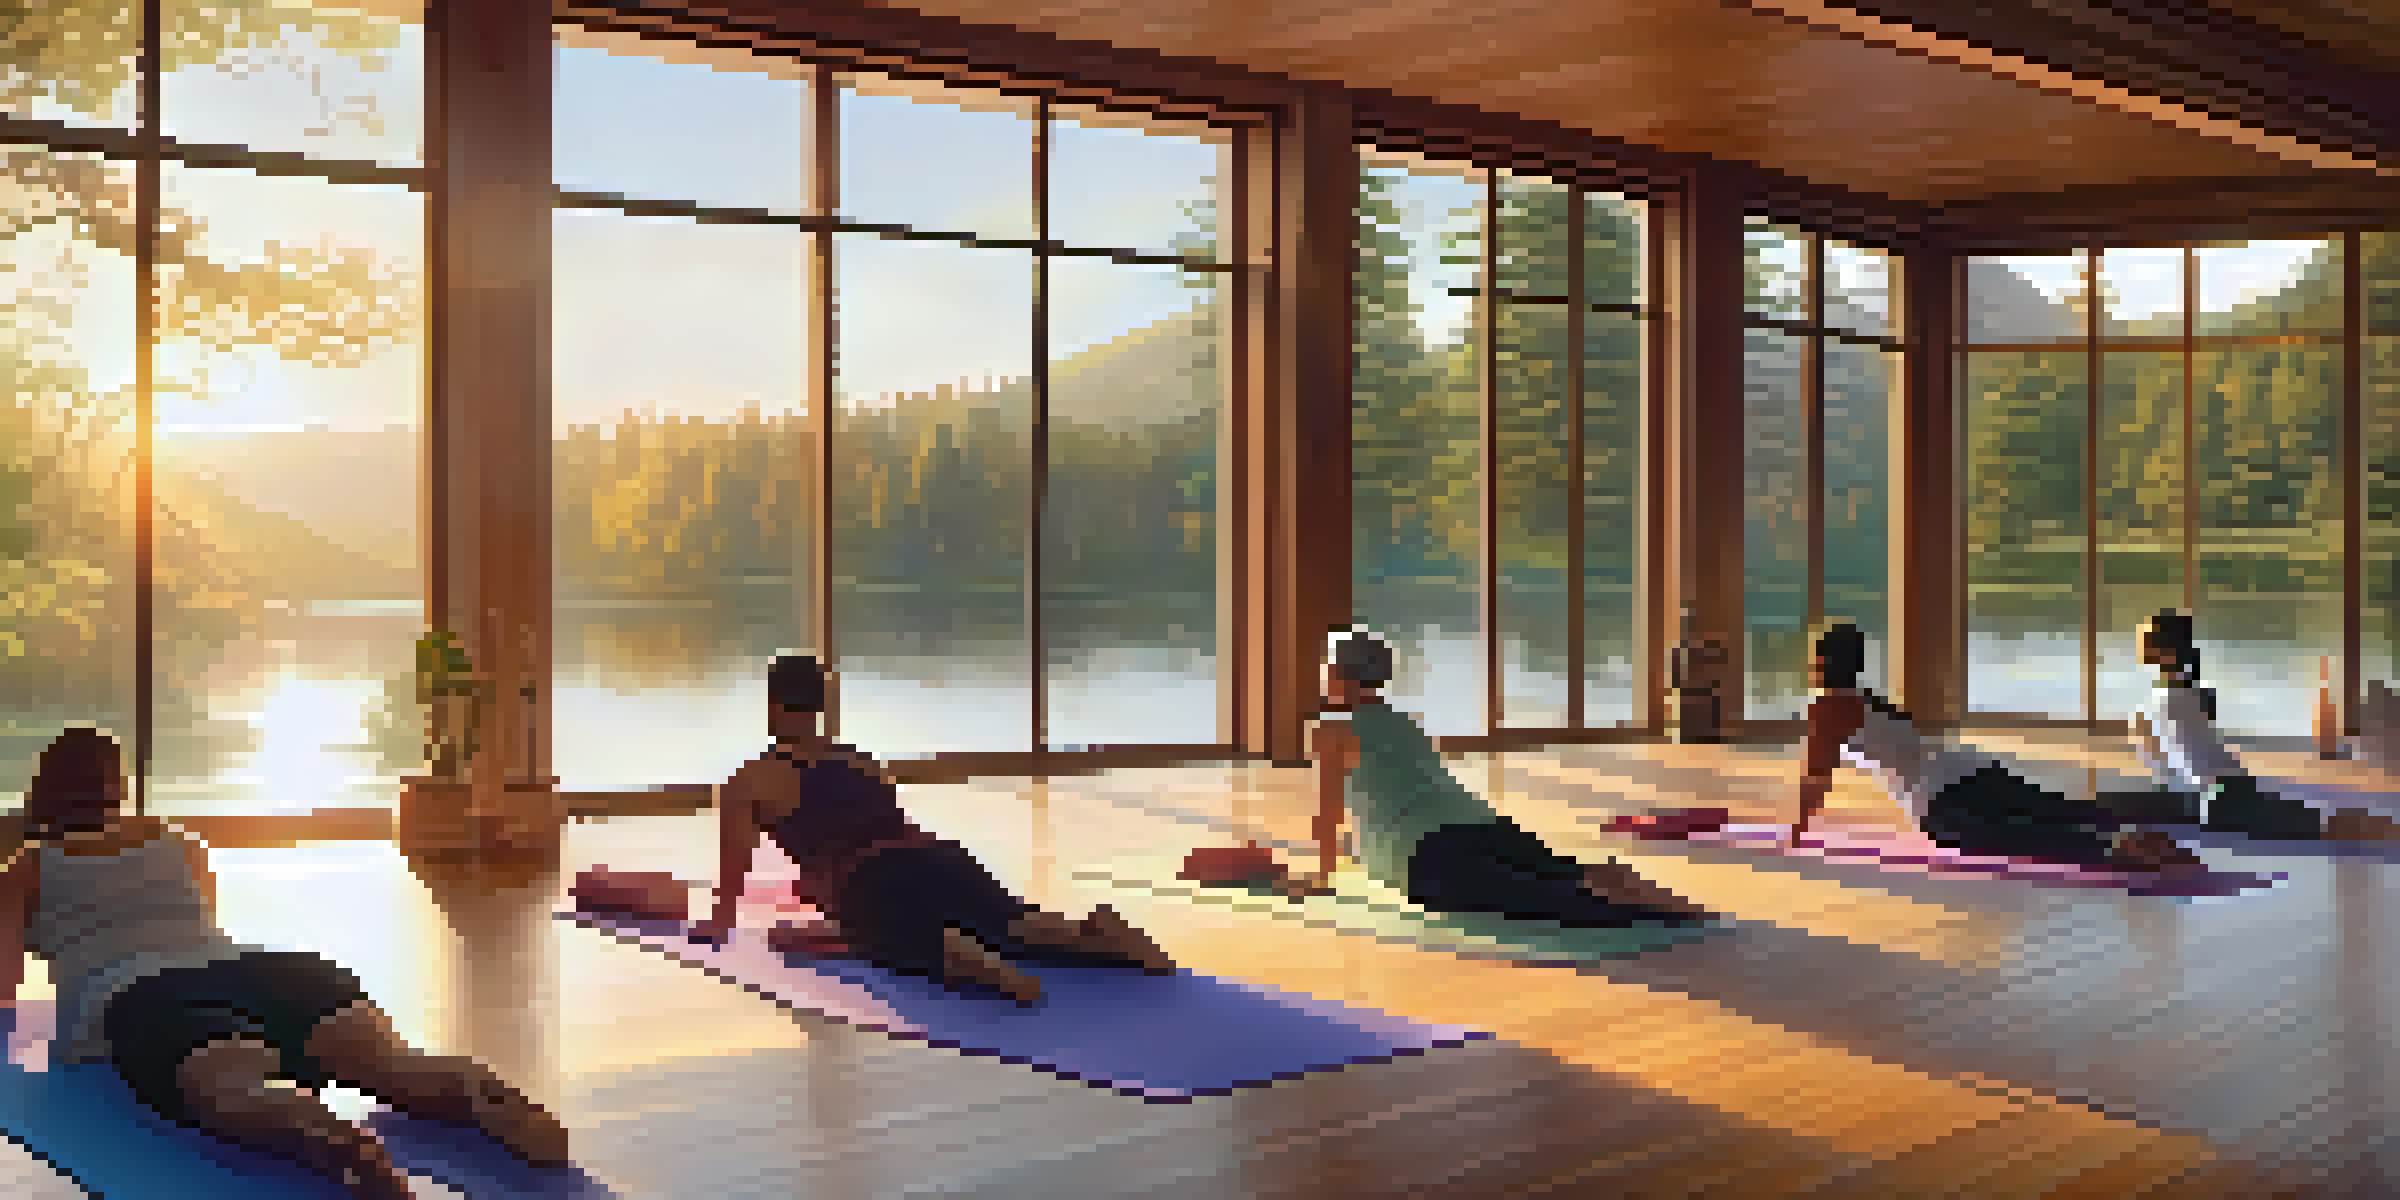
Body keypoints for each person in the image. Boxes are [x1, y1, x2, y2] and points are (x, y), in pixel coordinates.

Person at [0, 727, 567, 1200]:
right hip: (265, 971)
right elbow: (205, 924)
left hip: (143, 994)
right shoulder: (180, 842)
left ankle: (331, 1137)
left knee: (235, 1088)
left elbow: (5, 985)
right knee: (391, 1065)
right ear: (119, 786)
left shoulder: (29, 867)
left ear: (45, 790)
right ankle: (480, 1095)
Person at [689, 654, 1176, 1008]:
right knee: (1014, 924)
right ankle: (1092, 934)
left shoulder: (749, 782)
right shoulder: (859, 759)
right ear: (818, 706)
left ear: (773, 704)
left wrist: (718, 923)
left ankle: (967, 960)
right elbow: (885, 823)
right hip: (936, 855)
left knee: (886, 944)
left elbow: (734, 875)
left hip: (867, 880)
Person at [1299, 626, 1713, 926]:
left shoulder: (1330, 728)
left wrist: (1321, 875)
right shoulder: (1403, 720)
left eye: (1325, 665)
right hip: (1480, 824)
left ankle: (1655, 909)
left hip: (1423, 853)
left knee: (1547, 901)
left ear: (1336, 673)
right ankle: (1621, 880)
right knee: (1559, 872)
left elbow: (1327, 809)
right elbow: (1395, 788)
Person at [1796, 623, 2202, 871]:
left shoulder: (1827, 706)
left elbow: (1815, 775)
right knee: (2058, 811)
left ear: (1822, 662)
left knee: (2031, 838)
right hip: (1969, 767)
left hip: (1938, 800)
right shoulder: (1869, 699)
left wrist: (1797, 831)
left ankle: (2130, 847)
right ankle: (2143, 837)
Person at [2099, 610, 2399, 841]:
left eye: (2143, 643)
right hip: (2228, 794)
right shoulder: (2191, 695)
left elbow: (2160, 771)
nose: (2138, 649)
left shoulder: (2155, 706)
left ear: (2160, 652)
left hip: (2217, 800)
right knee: (2326, 822)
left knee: (2325, 824)